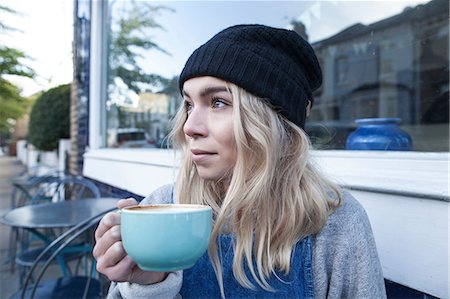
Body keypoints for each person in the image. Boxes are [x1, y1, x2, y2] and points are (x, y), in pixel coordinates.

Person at [93, 24, 386, 298]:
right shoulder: (161, 209)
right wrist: (148, 284)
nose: (188, 126)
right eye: (189, 104)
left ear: (272, 123)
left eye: (218, 102)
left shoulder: (333, 222)